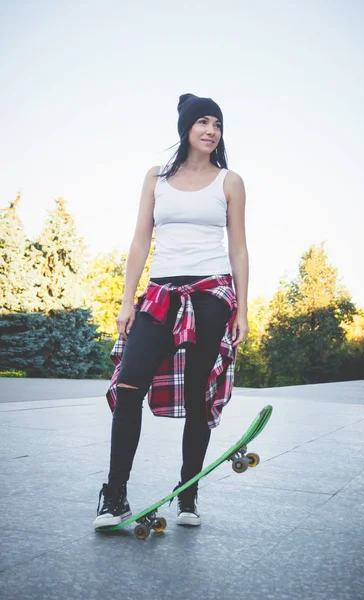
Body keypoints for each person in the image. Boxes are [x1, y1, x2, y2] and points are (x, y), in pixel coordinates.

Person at [93, 93, 249, 530]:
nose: (211, 130)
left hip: (211, 295)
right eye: (202, 121)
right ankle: (114, 496)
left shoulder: (229, 182)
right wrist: (127, 302)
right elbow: (140, 240)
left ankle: (188, 495)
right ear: (185, 128)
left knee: (199, 396)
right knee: (128, 386)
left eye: (217, 124)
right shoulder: (156, 178)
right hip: (161, 293)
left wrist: (243, 309)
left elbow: (238, 247)